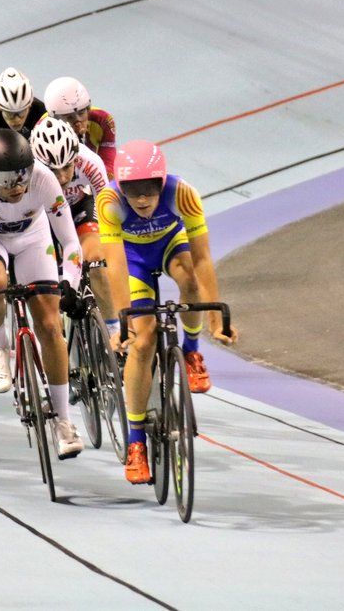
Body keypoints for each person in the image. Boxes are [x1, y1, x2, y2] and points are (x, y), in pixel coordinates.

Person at [96, 140, 238, 483]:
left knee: (189, 281)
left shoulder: (183, 193)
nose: (142, 199)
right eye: (133, 190)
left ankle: (191, 353)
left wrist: (215, 322)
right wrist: (121, 323)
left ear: (162, 183)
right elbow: (114, 265)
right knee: (143, 344)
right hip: (134, 263)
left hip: (171, 246)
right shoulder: (109, 201)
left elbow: (203, 259)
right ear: (121, 186)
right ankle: (136, 442)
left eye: (149, 190)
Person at [0, 129, 85, 459]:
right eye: (6, 181)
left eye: (20, 178)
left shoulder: (43, 179)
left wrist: (68, 283)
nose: (16, 187)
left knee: (52, 328)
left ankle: (64, 422)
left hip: (33, 239)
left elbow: (70, 242)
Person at [29, 118, 116, 329]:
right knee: (50, 281)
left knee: (96, 261)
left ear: (75, 157)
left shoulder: (90, 162)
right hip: (44, 219)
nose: (61, 178)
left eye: (66, 167)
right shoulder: (28, 172)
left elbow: (108, 212)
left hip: (78, 207)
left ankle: (114, 331)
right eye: (52, 170)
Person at [0, 67, 46, 169]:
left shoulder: (40, 111)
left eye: (21, 112)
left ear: (29, 106)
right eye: (10, 114)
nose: (17, 120)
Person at [44, 76, 117, 178]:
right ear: (54, 118)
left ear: (88, 109)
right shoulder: (43, 130)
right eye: (69, 117)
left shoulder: (103, 120)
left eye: (82, 112)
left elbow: (108, 162)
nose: (78, 122)